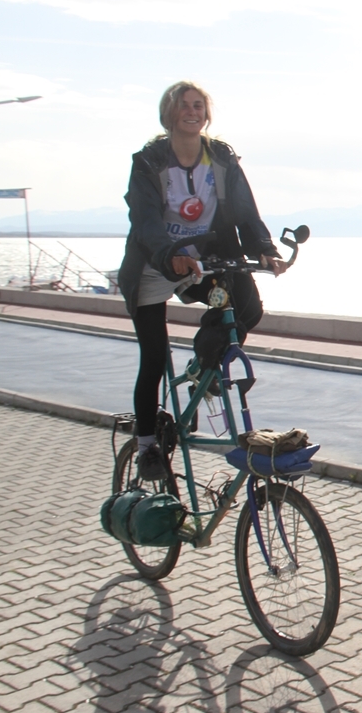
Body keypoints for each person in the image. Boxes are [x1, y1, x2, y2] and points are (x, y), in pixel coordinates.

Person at [118, 80, 287, 480]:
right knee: (154, 359)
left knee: (246, 309)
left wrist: (263, 247)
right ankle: (147, 448)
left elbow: (245, 207)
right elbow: (144, 220)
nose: (192, 111)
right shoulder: (148, 161)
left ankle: (202, 370)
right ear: (169, 114)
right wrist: (169, 255)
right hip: (156, 261)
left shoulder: (221, 158)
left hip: (205, 258)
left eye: (198, 105)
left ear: (206, 114)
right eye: (184, 106)